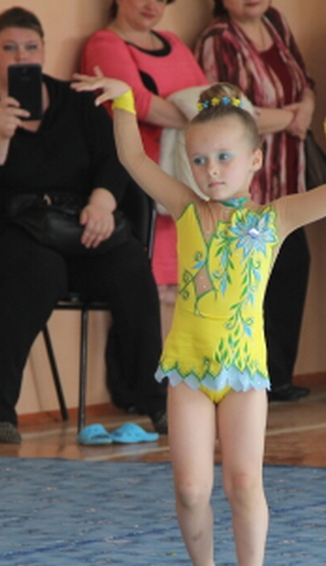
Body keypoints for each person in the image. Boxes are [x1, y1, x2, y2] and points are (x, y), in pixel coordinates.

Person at [71, 73, 326, 566]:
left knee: (244, 483)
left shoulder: (273, 219)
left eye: (224, 157)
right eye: (199, 160)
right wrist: (125, 101)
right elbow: (132, 158)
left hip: (244, 377)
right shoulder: (186, 208)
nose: (211, 171)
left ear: (255, 160)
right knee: (189, 490)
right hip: (189, 372)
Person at [0, 7, 166, 444]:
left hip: (76, 231)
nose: (21, 57)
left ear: (43, 51)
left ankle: (158, 401)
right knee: (40, 269)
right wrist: (0, 136)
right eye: (10, 48)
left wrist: (102, 203)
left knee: (129, 262)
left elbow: (115, 158)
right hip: (2, 241)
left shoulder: (76, 102)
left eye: (30, 47)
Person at [195, 0, 317, 403]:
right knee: (253, 280)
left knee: (293, 266)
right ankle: (254, 376)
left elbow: (305, 83)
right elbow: (226, 114)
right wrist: (292, 119)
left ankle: (278, 376)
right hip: (247, 189)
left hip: (288, 177)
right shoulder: (218, 40)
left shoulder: (276, 22)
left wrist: (306, 108)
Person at [81, 0, 208, 339]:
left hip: (185, 180)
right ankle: (148, 373)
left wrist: (200, 114)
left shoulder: (174, 42)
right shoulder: (104, 43)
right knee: (146, 301)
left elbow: (206, 98)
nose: (152, 4)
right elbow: (136, 102)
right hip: (140, 183)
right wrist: (196, 118)